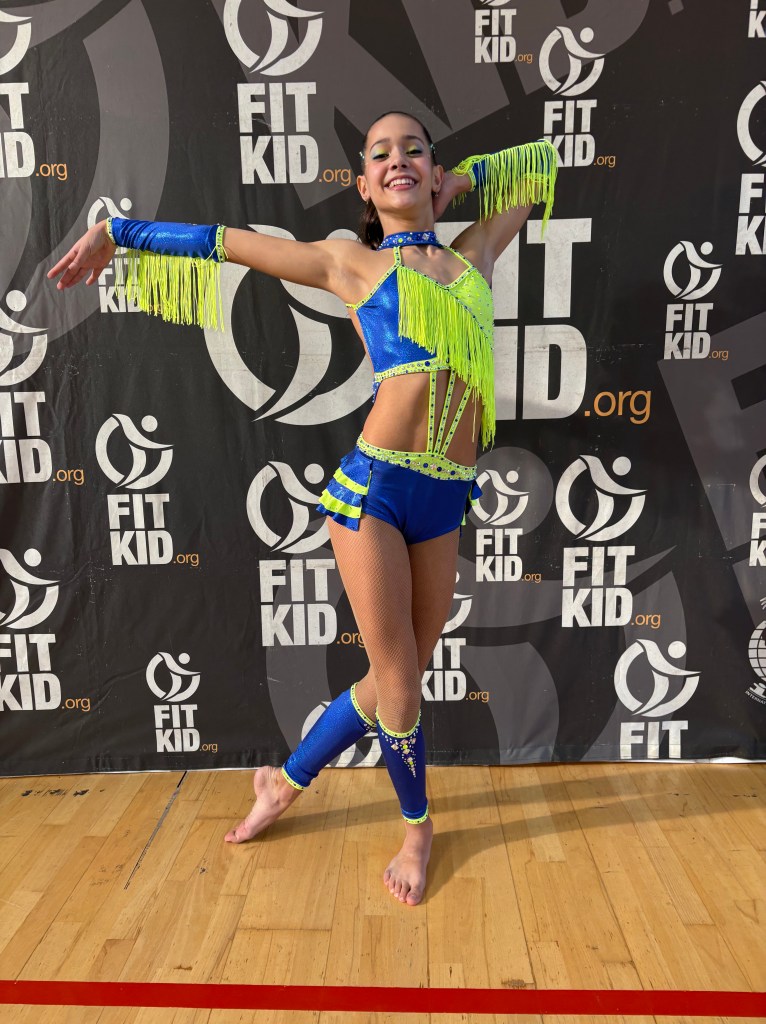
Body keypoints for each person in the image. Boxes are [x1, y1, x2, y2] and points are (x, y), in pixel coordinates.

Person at [49, 111, 557, 906]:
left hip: (445, 494)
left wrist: (460, 182)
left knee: (397, 675)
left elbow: (542, 160)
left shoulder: (474, 254)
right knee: (400, 685)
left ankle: (284, 782)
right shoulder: (350, 262)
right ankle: (417, 828)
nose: (398, 159)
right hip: (374, 491)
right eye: (380, 154)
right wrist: (120, 232)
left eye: (415, 151)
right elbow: (227, 243)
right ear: (363, 186)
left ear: (434, 170)